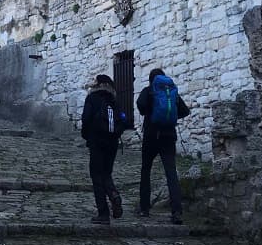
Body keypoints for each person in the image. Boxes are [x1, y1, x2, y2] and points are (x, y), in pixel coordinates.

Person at [136, 67, 190, 224]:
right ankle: (177, 212)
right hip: (168, 136)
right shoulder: (171, 92)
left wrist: (150, 113)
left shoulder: (149, 91)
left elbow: (140, 105)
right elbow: (184, 111)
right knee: (171, 172)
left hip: (151, 136)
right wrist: (170, 117)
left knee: (146, 170)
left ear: (150, 79)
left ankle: (145, 208)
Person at [80, 74, 124, 224]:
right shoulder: (114, 99)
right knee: (106, 173)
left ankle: (103, 213)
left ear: (99, 84)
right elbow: (122, 121)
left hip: (97, 142)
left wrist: (87, 136)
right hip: (112, 143)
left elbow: (85, 119)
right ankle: (113, 193)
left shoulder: (92, 98)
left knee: (96, 176)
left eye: (95, 80)